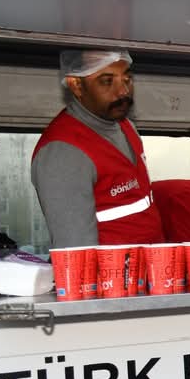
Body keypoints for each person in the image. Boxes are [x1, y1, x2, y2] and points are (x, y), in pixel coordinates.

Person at [32, 50, 165, 248]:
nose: (123, 91)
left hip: (149, 263)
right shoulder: (64, 151)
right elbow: (77, 251)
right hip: (111, 268)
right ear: (76, 85)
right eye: (107, 81)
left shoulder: (125, 126)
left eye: (127, 79)